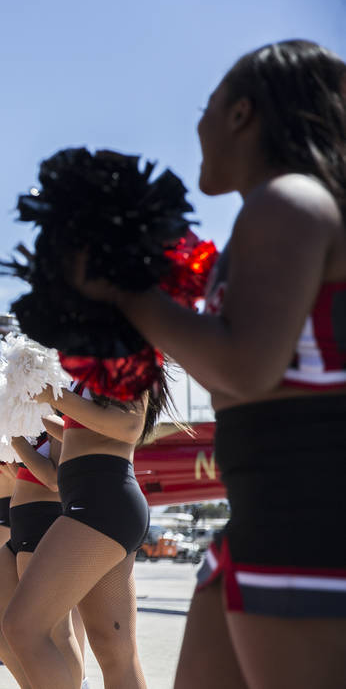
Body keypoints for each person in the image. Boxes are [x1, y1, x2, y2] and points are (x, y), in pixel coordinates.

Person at [78, 40, 346, 688]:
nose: (197, 125)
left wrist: (124, 291)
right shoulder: (279, 210)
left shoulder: (288, 201)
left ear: (241, 115)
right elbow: (241, 371)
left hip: (306, 522)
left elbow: (246, 369)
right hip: (260, 512)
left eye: (208, 106)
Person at [2, 379, 164, 688]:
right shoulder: (94, 367)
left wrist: (54, 396)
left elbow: (130, 425)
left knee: (22, 627)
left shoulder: (121, 353)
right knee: (114, 650)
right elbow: (81, 431)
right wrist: (23, 417)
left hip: (100, 505)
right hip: (102, 505)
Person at [0, 436, 88, 686]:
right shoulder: (35, 415)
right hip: (23, 520)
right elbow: (26, 474)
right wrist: (4, 456)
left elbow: (52, 478)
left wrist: (14, 439)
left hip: (46, 520)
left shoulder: (54, 410)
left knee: (55, 629)